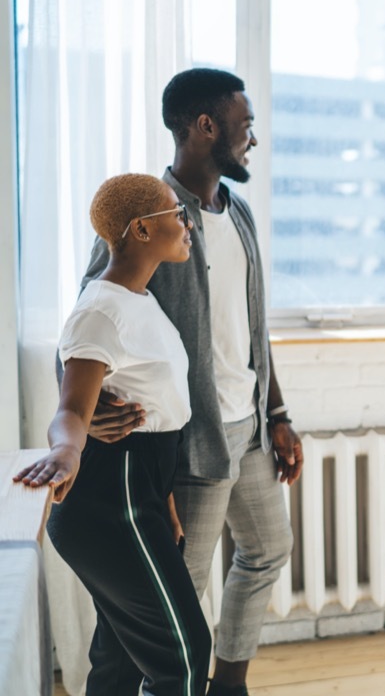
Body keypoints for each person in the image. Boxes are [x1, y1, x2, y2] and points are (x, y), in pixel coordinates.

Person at [77, 68, 304, 696]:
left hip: (250, 430)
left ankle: (228, 685)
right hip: (191, 443)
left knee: (267, 550)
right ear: (205, 127)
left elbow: (253, 328)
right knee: (177, 595)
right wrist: (86, 409)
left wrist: (278, 414)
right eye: (245, 124)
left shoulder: (242, 214)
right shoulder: (151, 216)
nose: (253, 139)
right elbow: (89, 311)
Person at [16, 173, 210, 695]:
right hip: (109, 502)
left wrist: (161, 497)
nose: (187, 222)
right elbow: (73, 410)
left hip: (136, 491)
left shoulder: (139, 302)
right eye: (176, 212)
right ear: (141, 230)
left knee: (121, 661)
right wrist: (65, 448)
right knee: (185, 658)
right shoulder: (99, 309)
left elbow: (158, 414)